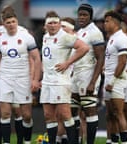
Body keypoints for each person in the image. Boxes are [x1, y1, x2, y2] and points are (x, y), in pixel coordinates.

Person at [0, 6, 42, 144]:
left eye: (13, 21)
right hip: (5, 78)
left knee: (26, 115)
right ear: (4, 24)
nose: (11, 25)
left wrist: (35, 79)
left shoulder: (26, 37)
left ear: (17, 21)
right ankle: (6, 142)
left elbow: (36, 58)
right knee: (5, 114)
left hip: (23, 79)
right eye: (8, 23)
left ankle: (27, 141)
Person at [40, 10, 89, 144]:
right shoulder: (45, 37)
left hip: (60, 81)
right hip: (47, 81)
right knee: (48, 115)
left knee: (65, 114)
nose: (53, 25)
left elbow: (84, 47)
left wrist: (68, 62)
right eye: (50, 23)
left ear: (59, 24)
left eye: (56, 23)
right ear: (46, 25)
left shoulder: (64, 36)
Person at [71, 3, 106, 144]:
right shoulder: (79, 32)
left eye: (85, 15)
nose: (81, 17)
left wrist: (93, 82)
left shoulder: (95, 32)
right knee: (72, 109)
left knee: (89, 109)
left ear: (90, 17)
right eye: (80, 14)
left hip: (88, 74)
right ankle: (78, 140)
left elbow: (100, 58)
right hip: (76, 75)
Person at [103, 10, 127, 144]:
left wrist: (112, 81)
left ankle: (124, 142)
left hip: (116, 81)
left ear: (114, 22)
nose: (104, 24)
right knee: (110, 114)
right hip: (108, 79)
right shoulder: (112, 38)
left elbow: (123, 62)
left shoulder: (121, 38)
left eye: (107, 21)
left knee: (119, 113)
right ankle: (113, 141)